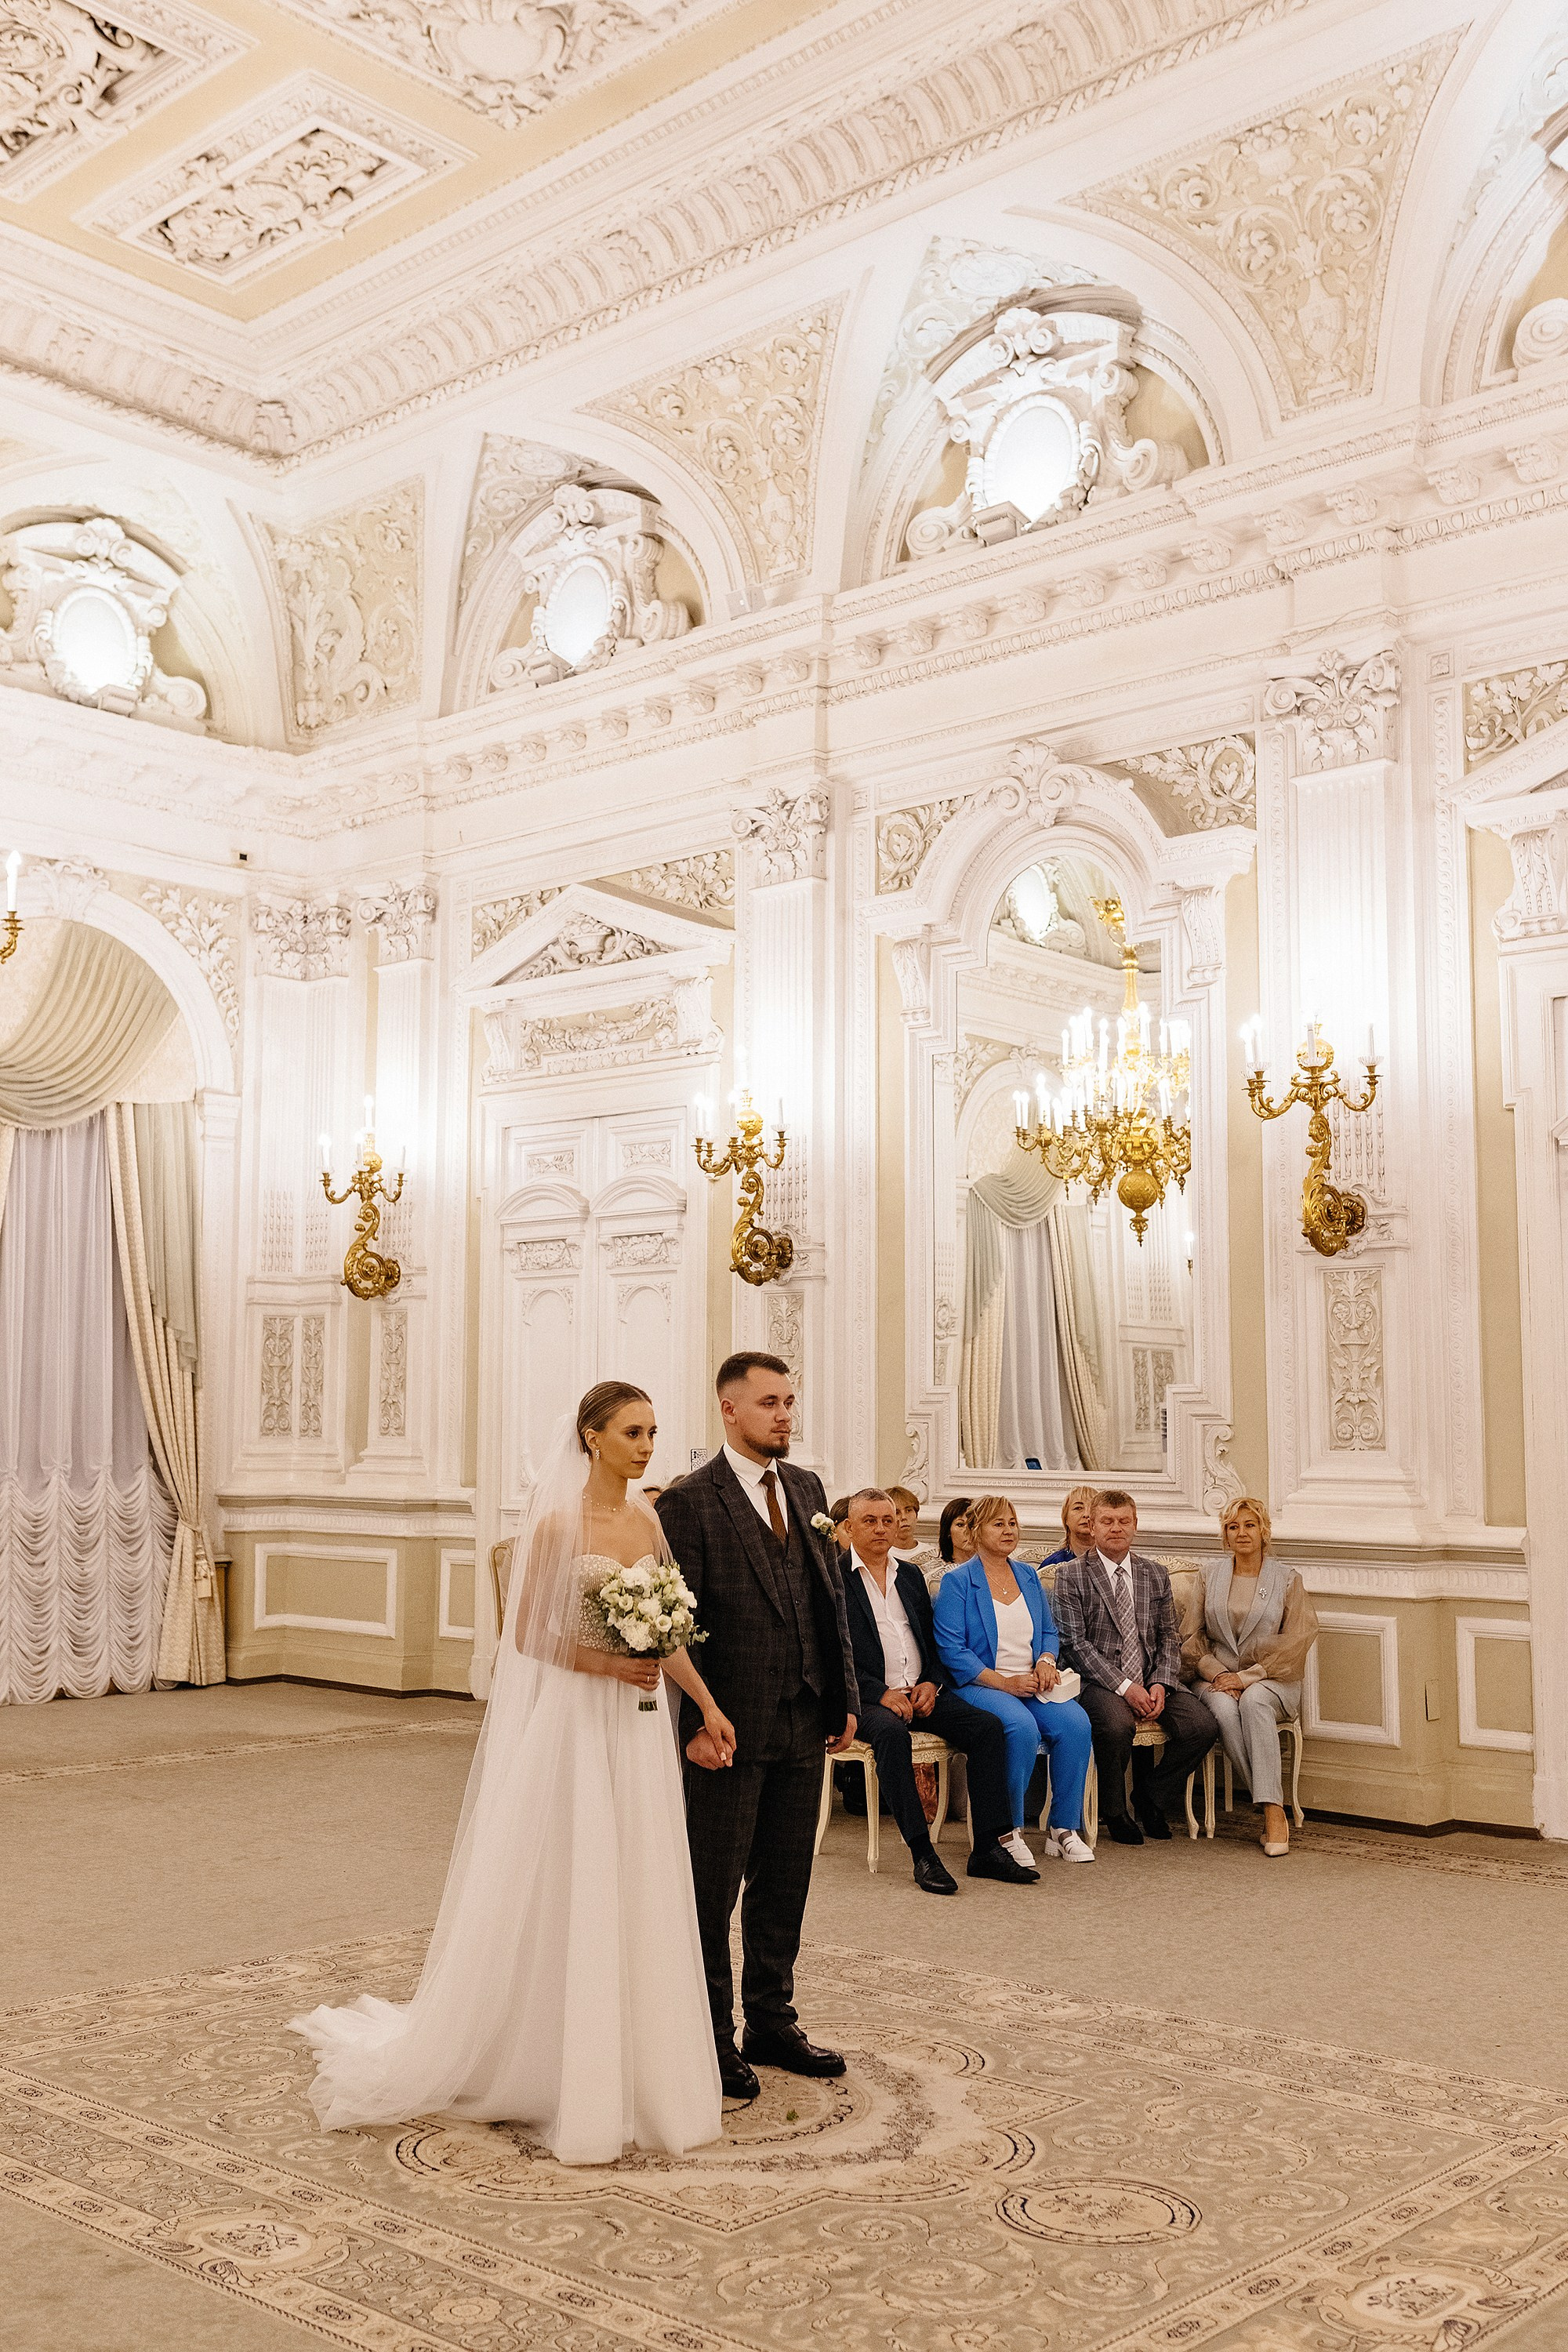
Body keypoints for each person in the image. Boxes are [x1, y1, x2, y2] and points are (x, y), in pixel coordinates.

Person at [292, 1382, 735, 2165]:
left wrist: (703, 1703)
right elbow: (527, 1634)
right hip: (576, 1713)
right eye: (631, 1431)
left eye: (653, 1432)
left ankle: (633, 2059)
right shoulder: (560, 1523)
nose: (645, 1446)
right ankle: (540, 2054)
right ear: (591, 1437)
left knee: (637, 1871)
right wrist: (606, 1664)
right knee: (569, 1868)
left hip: (636, 1725)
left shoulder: (646, 1519)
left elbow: (668, 1631)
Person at [655, 1353, 858, 2104]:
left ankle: (770, 2021)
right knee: (711, 1890)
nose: (784, 1414)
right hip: (728, 1728)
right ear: (729, 1409)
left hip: (804, 1718)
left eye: (790, 1401)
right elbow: (677, 1629)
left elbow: (828, 1600)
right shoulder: (689, 1503)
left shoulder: (806, 1488)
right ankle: (708, 2035)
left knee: (785, 1881)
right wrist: (696, 1722)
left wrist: (842, 1694)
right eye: (769, 1402)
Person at [840, 1489, 1036, 1891]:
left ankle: (987, 1848)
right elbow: (829, 1654)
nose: (881, 1528)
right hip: (865, 1696)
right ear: (848, 1527)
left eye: (888, 1520)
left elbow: (933, 1645)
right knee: (892, 1736)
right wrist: (880, 1693)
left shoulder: (910, 1576)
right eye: (869, 1521)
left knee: (987, 1727)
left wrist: (931, 1681)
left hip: (921, 1691)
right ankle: (923, 1854)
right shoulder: (833, 1581)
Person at [933, 1494, 1094, 1865]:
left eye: (1012, 1523)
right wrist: (1006, 1684)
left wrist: (1045, 1659)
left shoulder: (1028, 1575)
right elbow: (952, 1651)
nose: (1008, 1531)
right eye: (998, 1524)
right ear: (976, 1531)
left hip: (1034, 1684)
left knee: (1075, 1724)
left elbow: (1050, 1631)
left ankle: (1063, 1830)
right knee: (1020, 1728)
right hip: (983, 1685)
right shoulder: (957, 1583)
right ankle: (1010, 1831)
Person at [1053, 1489, 1218, 1844]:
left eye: (1123, 1521)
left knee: (1202, 1726)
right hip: (1099, 1682)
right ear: (1093, 1527)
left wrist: (1160, 1683)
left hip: (1151, 1677)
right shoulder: (1070, 1576)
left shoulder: (1154, 1574)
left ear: (1135, 1525)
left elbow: (1167, 1638)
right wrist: (1126, 1688)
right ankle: (1115, 1811)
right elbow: (1074, 1645)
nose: (1116, 1528)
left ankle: (1151, 1797)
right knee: (1115, 1726)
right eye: (1107, 1521)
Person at [1181, 1497, 1317, 1857]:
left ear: (1264, 1532)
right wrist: (1221, 1674)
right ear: (1225, 1535)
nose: (1242, 1532)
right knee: (1225, 1712)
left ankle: (1271, 1811)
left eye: (1250, 1525)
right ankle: (1273, 1806)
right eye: (1233, 1526)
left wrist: (1246, 1678)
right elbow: (1190, 1636)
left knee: (1255, 1701)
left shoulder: (1287, 1579)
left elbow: (1297, 1640)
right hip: (1215, 1676)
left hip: (1272, 1679)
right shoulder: (1210, 1575)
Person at [1040, 1484, 1098, 1569]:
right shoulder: (1053, 1564)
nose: (1086, 1514)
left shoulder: (1114, 1560)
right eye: (1078, 1508)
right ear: (1066, 1518)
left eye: (1092, 1508)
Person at [938, 1496, 975, 1566]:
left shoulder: (995, 1569)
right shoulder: (930, 1571)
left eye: (972, 1525)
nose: (968, 1531)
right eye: (960, 1525)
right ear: (948, 1531)